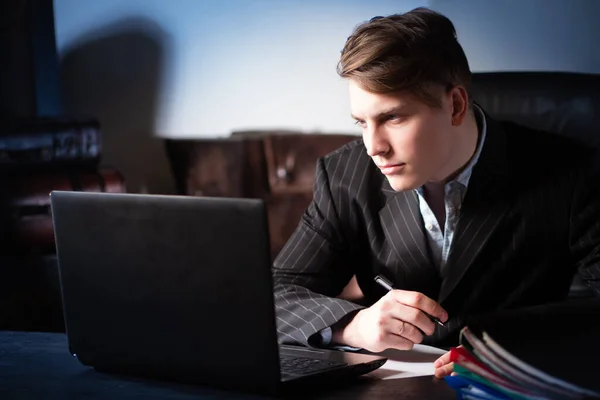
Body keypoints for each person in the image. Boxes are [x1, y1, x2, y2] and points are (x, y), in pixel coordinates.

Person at [271, 7, 600, 379]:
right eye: (362, 122)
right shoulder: (343, 175)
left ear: (456, 105)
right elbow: (275, 294)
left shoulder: (571, 173)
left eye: (392, 117)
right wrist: (352, 325)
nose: (373, 146)